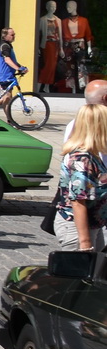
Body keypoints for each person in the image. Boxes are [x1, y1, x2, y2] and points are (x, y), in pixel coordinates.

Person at [57, 102, 107, 252]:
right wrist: (85, 243)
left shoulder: (91, 154)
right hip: (78, 228)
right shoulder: (82, 159)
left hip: (92, 223)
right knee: (81, 273)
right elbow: (78, 201)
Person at [0, 27, 29, 107]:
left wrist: (21, 67)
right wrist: (18, 69)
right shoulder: (4, 46)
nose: (14, 36)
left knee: (5, 97)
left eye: (14, 34)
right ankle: (8, 119)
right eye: (12, 35)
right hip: (5, 76)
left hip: (7, 75)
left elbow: (12, 60)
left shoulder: (7, 45)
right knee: (7, 97)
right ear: (5, 36)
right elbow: (7, 60)